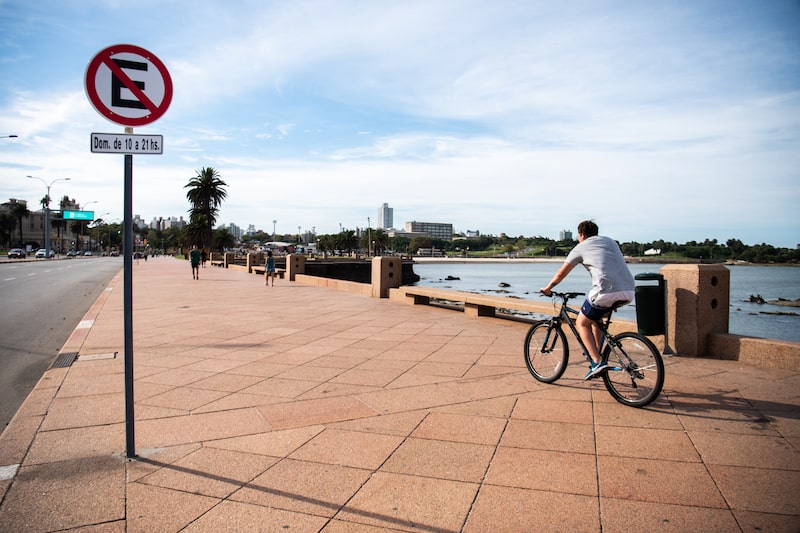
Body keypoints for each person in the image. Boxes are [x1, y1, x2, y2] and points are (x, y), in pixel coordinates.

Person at [541, 220, 635, 380]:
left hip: (605, 292)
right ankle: (595, 352)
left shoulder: (581, 247)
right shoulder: (610, 242)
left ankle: (597, 362)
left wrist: (548, 288)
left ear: (581, 234)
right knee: (597, 319)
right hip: (628, 290)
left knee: (581, 323)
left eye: (578, 235)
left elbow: (561, 273)